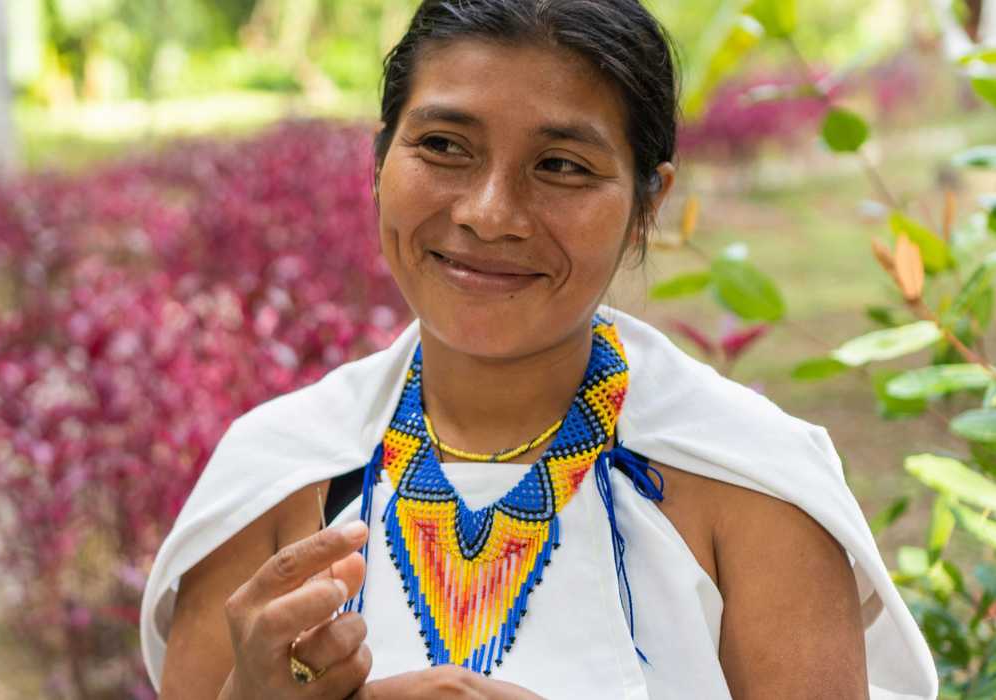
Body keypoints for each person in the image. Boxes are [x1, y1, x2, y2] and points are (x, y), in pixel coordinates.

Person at [140, 1, 937, 698]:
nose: (490, 214)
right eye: (445, 146)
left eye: (560, 166)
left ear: (644, 204)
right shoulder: (278, 472)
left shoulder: (750, 485)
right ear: (380, 161)